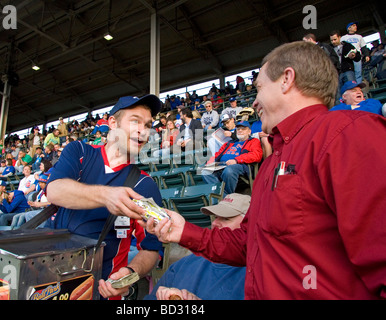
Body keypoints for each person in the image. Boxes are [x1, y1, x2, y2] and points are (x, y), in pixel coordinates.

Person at [145, 41, 386, 299]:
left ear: (287, 79)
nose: (255, 100)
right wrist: (184, 230)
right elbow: (247, 246)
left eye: (259, 88)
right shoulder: (273, 160)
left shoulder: (348, 134)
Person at [45, 94, 164, 300]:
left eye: (148, 125)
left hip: (101, 291)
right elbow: (55, 191)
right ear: (112, 123)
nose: (143, 131)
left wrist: (130, 274)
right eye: (135, 121)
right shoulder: (80, 151)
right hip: (51, 281)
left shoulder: (145, 185)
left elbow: (152, 248)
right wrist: (108, 195)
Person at [145, 193, 248, 300]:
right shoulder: (183, 264)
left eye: (226, 219)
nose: (215, 223)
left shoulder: (257, 275)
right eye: (216, 217)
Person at [202, 121, 263, 196]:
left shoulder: (253, 141)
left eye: (243, 129)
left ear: (249, 131)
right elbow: (217, 154)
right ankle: (222, 195)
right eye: (238, 129)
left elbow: (256, 155)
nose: (240, 130)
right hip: (221, 165)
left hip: (240, 165)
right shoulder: (230, 143)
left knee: (229, 170)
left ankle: (225, 196)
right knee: (205, 172)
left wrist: (236, 160)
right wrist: (211, 162)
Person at [329, 30, 361, 99]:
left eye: (335, 39)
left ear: (339, 37)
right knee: (338, 94)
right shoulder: (329, 49)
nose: (333, 42)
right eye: (331, 40)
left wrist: (354, 55)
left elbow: (358, 57)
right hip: (336, 73)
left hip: (348, 70)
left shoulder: (347, 45)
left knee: (352, 89)